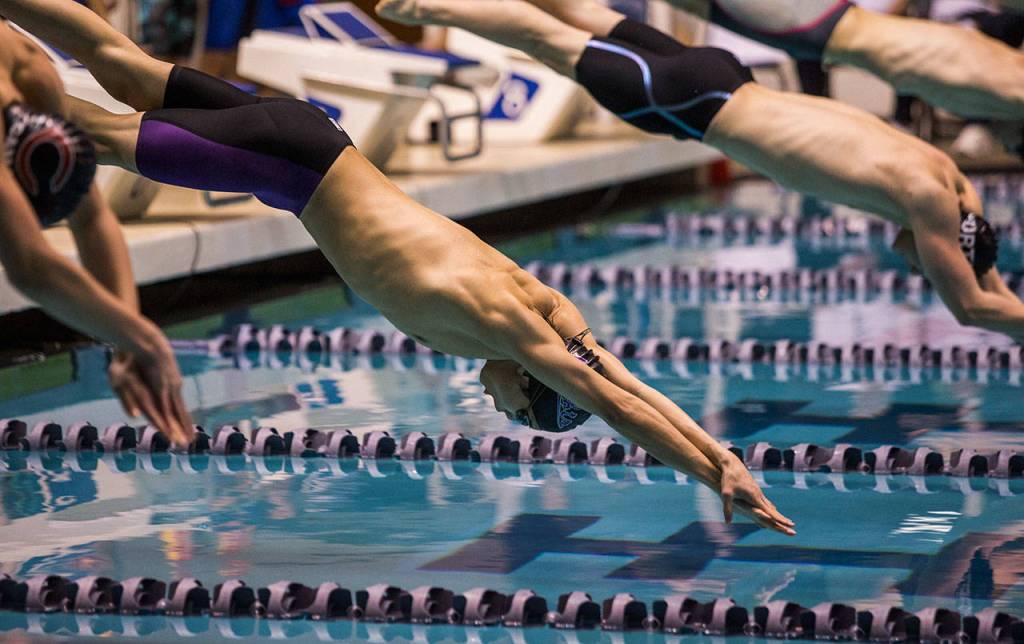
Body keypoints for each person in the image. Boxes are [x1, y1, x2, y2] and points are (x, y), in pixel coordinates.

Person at [0, 0, 796, 535]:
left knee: (119, 60)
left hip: (306, 140)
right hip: (283, 165)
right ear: (527, 379)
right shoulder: (505, 324)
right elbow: (614, 404)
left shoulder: (537, 305)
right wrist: (707, 472)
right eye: (518, 412)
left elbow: (619, 378)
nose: (501, 411)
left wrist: (722, 454)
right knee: (87, 133)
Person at [376, 0, 1024, 344]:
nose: (907, 260)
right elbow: (972, 306)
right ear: (948, 248)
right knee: (550, 39)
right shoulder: (927, 203)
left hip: (719, 82)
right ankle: (431, 7)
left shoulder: (941, 173)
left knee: (588, 17)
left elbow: (976, 252)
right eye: (924, 264)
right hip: (695, 105)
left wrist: (986, 266)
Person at [0, 19, 194, 446]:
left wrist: (125, 339)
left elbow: (90, 217)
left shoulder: (31, 69)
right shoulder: (25, 68)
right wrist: (145, 339)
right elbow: (30, 265)